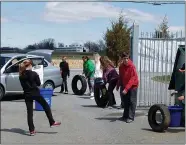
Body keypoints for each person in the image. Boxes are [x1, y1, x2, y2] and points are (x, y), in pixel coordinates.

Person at [19, 59, 61, 136]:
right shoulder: (34, 73)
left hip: (27, 95)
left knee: (30, 113)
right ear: (30, 65)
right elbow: (38, 83)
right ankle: (52, 122)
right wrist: (37, 76)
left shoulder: (21, 75)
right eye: (32, 65)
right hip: (35, 93)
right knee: (46, 106)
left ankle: (31, 130)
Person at [116, 52, 139, 123]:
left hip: (133, 86)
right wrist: (118, 84)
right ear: (122, 59)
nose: (126, 60)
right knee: (125, 101)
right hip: (125, 85)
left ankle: (131, 117)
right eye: (124, 58)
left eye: (127, 58)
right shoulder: (121, 67)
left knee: (132, 101)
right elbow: (120, 76)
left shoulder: (132, 66)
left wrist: (126, 89)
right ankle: (125, 116)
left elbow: (133, 78)